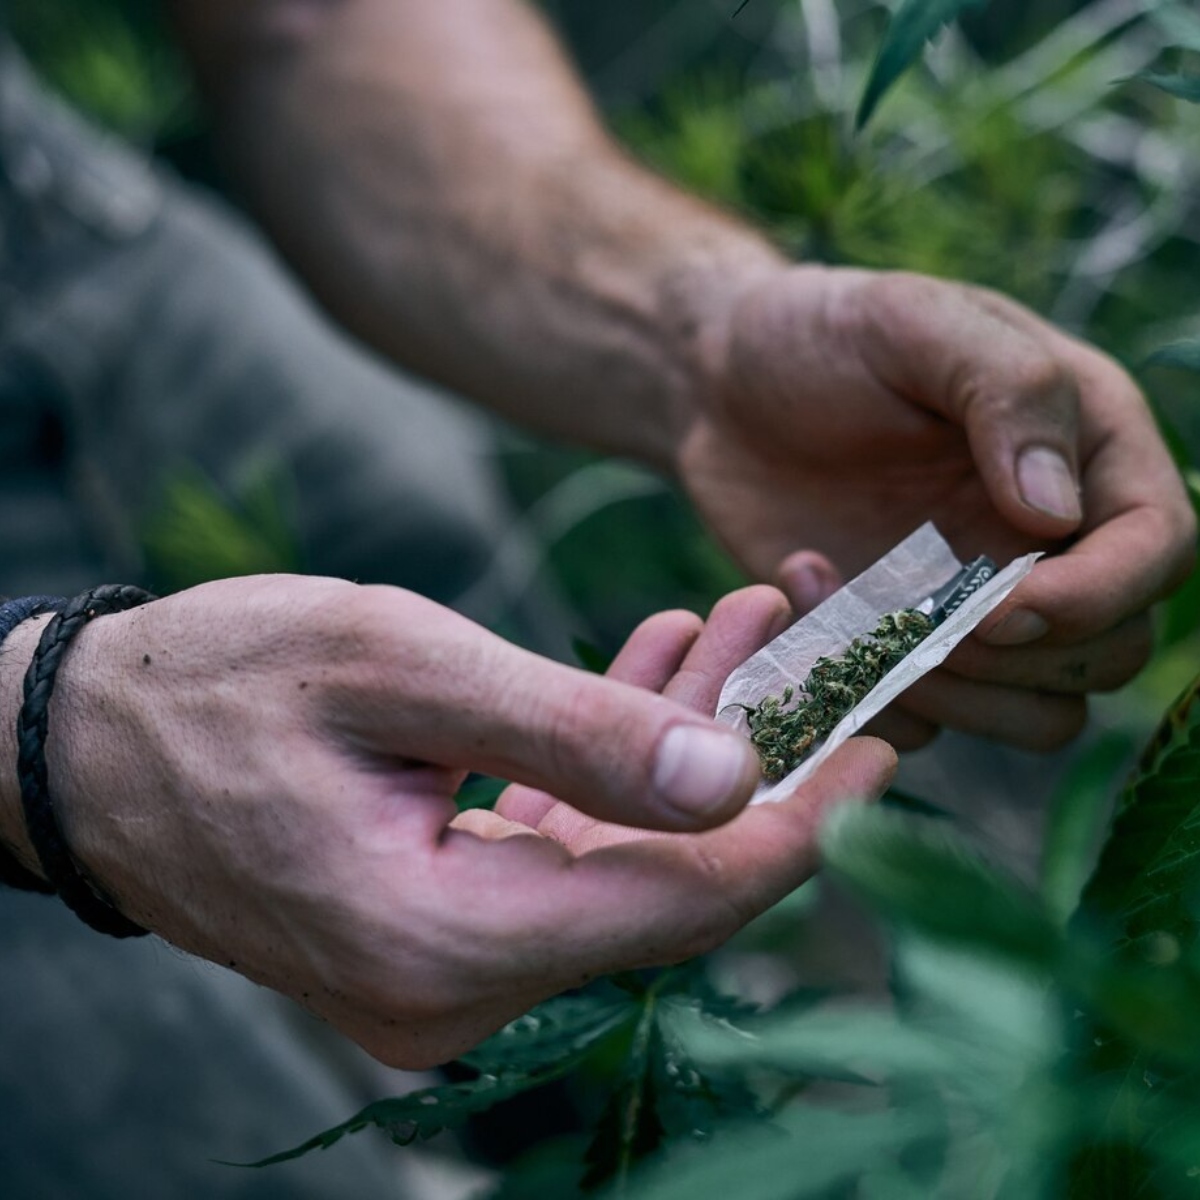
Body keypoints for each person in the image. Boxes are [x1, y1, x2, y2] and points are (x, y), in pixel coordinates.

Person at [0, 0, 1193, 1191]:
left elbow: (305, 24)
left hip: (43, 202)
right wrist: (39, 733)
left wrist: (704, 339)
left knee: (433, 581)